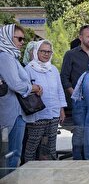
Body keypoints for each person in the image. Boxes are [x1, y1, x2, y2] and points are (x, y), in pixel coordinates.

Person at [0, 24, 43, 169]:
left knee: (14, 153)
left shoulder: (11, 56)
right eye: (19, 39)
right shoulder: (5, 57)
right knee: (11, 154)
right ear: (7, 38)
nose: (22, 42)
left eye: (23, 39)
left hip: (17, 111)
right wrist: (33, 88)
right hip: (11, 112)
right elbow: (15, 84)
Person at [23, 40, 66, 162]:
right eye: (43, 51)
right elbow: (24, 91)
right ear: (37, 51)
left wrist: (61, 109)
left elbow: (59, 90)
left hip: (53, 113)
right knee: (33, 145)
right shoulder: (29, 69)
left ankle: (49, 172)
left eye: (49, 51)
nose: (46, 54)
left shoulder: (53, 69)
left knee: (50, 146)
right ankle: (29, 171)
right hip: (37, 114)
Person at [60, 25, 89, 160]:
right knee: (79, 131)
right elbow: (64, 77)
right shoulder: (71, 55)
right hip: (78, 102)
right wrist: (74, 94)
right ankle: (77, 161)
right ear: (81, 38)